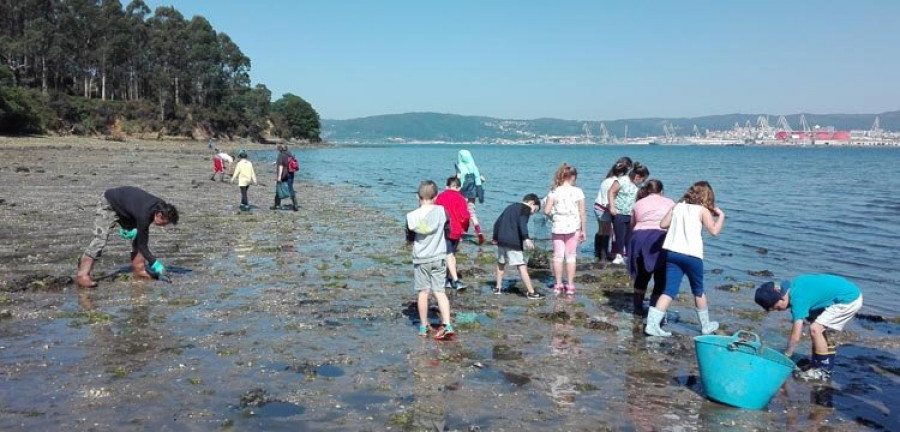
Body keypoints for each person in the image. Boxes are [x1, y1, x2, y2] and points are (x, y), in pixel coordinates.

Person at [645, 181, 724, 337]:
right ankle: (706, 325)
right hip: (692, 255)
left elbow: (663, 224)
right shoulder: (702, 211)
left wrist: (674, 209)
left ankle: (652, 325)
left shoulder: (678, 206)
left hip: (673, 253)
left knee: (669, 291)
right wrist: (721, 215)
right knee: (698, 290)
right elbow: (714, 231)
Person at [755, 275, 863, 381]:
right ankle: (820, 364)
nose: (778, 311)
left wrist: (786, 356)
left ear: (782, 298)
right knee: (817, 329)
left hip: (848, 300)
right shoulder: (795, 287)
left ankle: (822, 371)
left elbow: (796, 336)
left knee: (815, 329)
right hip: (846, 294)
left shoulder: (797, 299)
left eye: (777, 308)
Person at [75, 186, 179, 288]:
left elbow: (142, 233)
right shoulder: (145, 214)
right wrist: (155, 264)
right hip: (109, 202)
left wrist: (133, 229)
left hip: (125, 208)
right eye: (164, 223)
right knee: (100, 239)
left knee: (139, 237)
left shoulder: (161, 207)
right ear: (159, 215)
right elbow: (143, 246)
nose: (164, 226)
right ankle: (82, 275)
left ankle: (140, 270)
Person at [406, 180, 455, 340]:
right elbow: (448, 230)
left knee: (423, 293)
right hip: (439, 256)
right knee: (440, 292)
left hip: (421, 258)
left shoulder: (411, 216)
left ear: (417, 197)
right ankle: (447, 324)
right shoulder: (442, 211)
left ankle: (423, 325)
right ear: (436, 196)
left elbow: (410, 237)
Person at [628, 179, 674, 315]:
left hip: (640, 237)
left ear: (647, 191)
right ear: (662, 191)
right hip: (661, 238)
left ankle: (637, 308)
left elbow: (632, 225)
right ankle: (655, 309)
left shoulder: (638, 204)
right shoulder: (670, 202)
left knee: (642, 275)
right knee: (661, 276)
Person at [543, 163, 587, 295]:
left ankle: (558, 284)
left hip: (558, 226)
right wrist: (583, 230)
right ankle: (570, 285)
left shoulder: (554, 191)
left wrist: (554, 214)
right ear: (573, 177)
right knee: (571, 257)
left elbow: (546, 210)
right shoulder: (578, 191)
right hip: (573, 227)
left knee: (557, 256)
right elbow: (582, 213)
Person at [493, 193, 545, 299]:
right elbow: (522, 224)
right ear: (531, 203)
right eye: (534, 210)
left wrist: (495, 237)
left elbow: (497, 223)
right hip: (513, 242)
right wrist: (526, 238)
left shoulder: (510, 207)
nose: (531, 214)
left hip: (502, 240)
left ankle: (497, 288)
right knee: (521, 265)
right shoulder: (525, 208)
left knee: (501, 263)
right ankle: (531, 292)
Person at [434, 176, 471, 291]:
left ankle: (447, 279)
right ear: (459, 188)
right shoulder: (461, 199)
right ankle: (456, 281)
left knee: (449, 255)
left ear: (446, 186)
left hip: (444, 229)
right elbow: (465, 217)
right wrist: (464, 228)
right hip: (456, 230)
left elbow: (435, 212)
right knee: (451, 255)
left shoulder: (440, 197)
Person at [608, 162, 649, 265]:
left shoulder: (637, 186)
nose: (643, 182)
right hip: (619, 212)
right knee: (620, 235)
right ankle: (619, 254)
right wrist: (612, 207)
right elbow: (611, 192)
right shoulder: (622, 181)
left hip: (631, 213)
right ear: (637, 176)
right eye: (643, 179)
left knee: (629, 236)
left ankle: (628, 255)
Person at [594, 157, 632, 262]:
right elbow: (610, 198)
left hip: (598, 206)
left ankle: (598, 253)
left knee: (601, 230)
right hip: (604, 208)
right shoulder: (615, 182)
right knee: (607, 232)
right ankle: (604, 255)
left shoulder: (607, 179)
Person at [455, 149, 486, 244]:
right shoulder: (474, 167)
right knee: (472, 214)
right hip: (472, 195)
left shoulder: (460, 167)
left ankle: (459, 235)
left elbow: (458, 179)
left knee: (459, 214)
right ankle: (479, 232)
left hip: (462, 194)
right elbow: (482, 180)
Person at [272, 144, 299, 211]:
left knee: (278, 189)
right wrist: (276, 162)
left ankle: (276, 205)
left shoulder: (280, 155)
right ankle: (295, 205)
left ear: (280, 149)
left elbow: (281, 166)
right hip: (291, 173)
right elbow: (287, 161)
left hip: (284, 174)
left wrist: (279, 177)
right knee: (290, 189)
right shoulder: (290, 153)